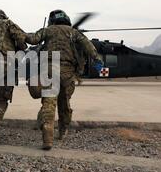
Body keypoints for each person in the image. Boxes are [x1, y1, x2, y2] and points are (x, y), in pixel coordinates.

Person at [26, 10, 103, 150]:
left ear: (52, 20)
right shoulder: (74, 33)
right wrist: (97, 60)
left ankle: (48, 138)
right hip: (68, 73)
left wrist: (20, 35)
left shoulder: (48, 30)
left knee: (49, 103)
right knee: (64, 104)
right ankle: (62, 132)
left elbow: (32, 39)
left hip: (49, 70)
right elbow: (88, 46)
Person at [0, 9, 27, 142]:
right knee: (1, 101)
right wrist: (21, 47)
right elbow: (21, 39)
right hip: (4, 67)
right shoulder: (8, 23)